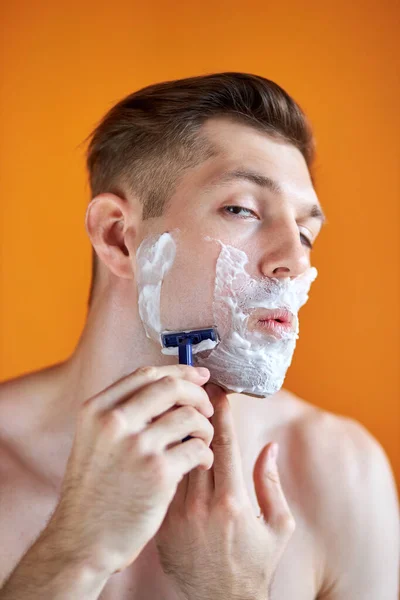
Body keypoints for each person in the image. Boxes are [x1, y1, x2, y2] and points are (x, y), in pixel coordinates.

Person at [0, 72, 398, 600]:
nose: (295, 260)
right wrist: (75, 552)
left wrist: (232, 592)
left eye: (306, 233)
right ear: (120, 238)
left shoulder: (338, 471)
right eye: (243, 209)